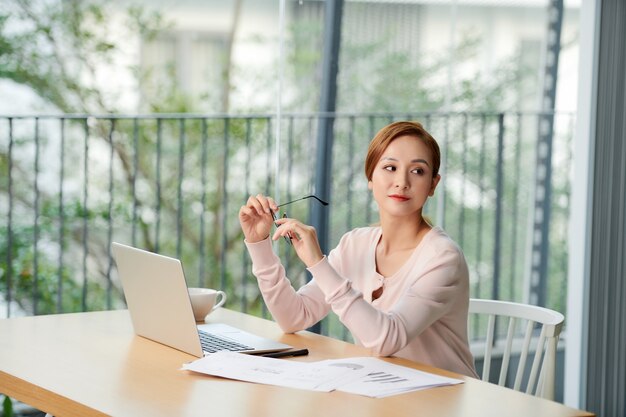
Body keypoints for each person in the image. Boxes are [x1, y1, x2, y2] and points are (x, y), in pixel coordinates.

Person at [238, 121, 477, 378]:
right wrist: (259, 245)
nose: (401, 181)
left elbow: (386, 339)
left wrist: (318, 263)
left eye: (418, 171)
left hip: (444, 400)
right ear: (370, 178)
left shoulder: (443, 257)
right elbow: (294, 317)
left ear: (432, 184)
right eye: (390, 167)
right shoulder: (356, 244)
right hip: (385, 389)